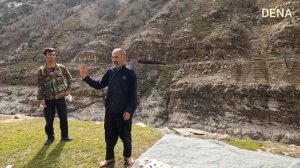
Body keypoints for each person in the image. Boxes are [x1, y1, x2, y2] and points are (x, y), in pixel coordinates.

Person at [79, 48, 137, 167]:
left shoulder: (130, 73)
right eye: (113, 57)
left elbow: (133, 95)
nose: (114, 59)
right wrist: (86, 78)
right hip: (110, 112)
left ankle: (128, 156)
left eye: (117, 57)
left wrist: (129, 110)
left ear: (123, 58)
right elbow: (99, 84)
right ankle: (109, 158)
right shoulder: (110, 72)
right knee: (109, 137)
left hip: (123, 113)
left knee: (126, 136)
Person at [37, 48, 73, 145]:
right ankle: (50, 137)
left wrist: (68, 90)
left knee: (64, 118)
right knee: (49, 120)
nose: (52, 56)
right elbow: (40, 85)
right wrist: (40, 99)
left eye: (53, 54)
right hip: (48, 99)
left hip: (60, 98)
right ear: (45, 56)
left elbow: (70, 78)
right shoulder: (41, 71)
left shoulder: (61, 68)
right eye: (50, 54)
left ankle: (65, 136)